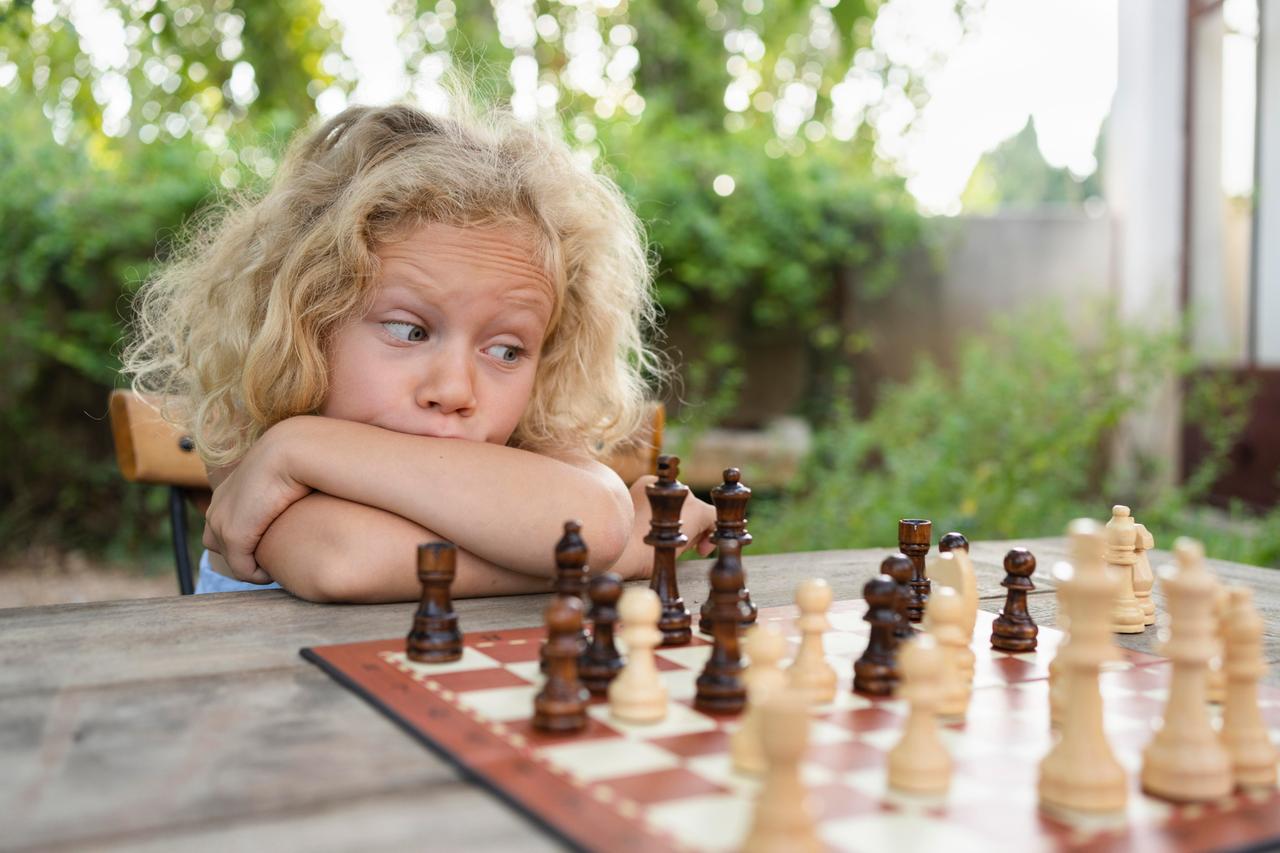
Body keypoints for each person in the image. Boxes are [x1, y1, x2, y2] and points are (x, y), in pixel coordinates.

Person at [122, 98, 717, 602]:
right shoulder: (253, 446)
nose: (456, 391)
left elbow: (595, 517)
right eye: (409, 331)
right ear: (306, 322)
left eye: (507, 351)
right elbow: (344, 560)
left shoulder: (296, 457)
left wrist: (299, 450)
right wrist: (613, 560)